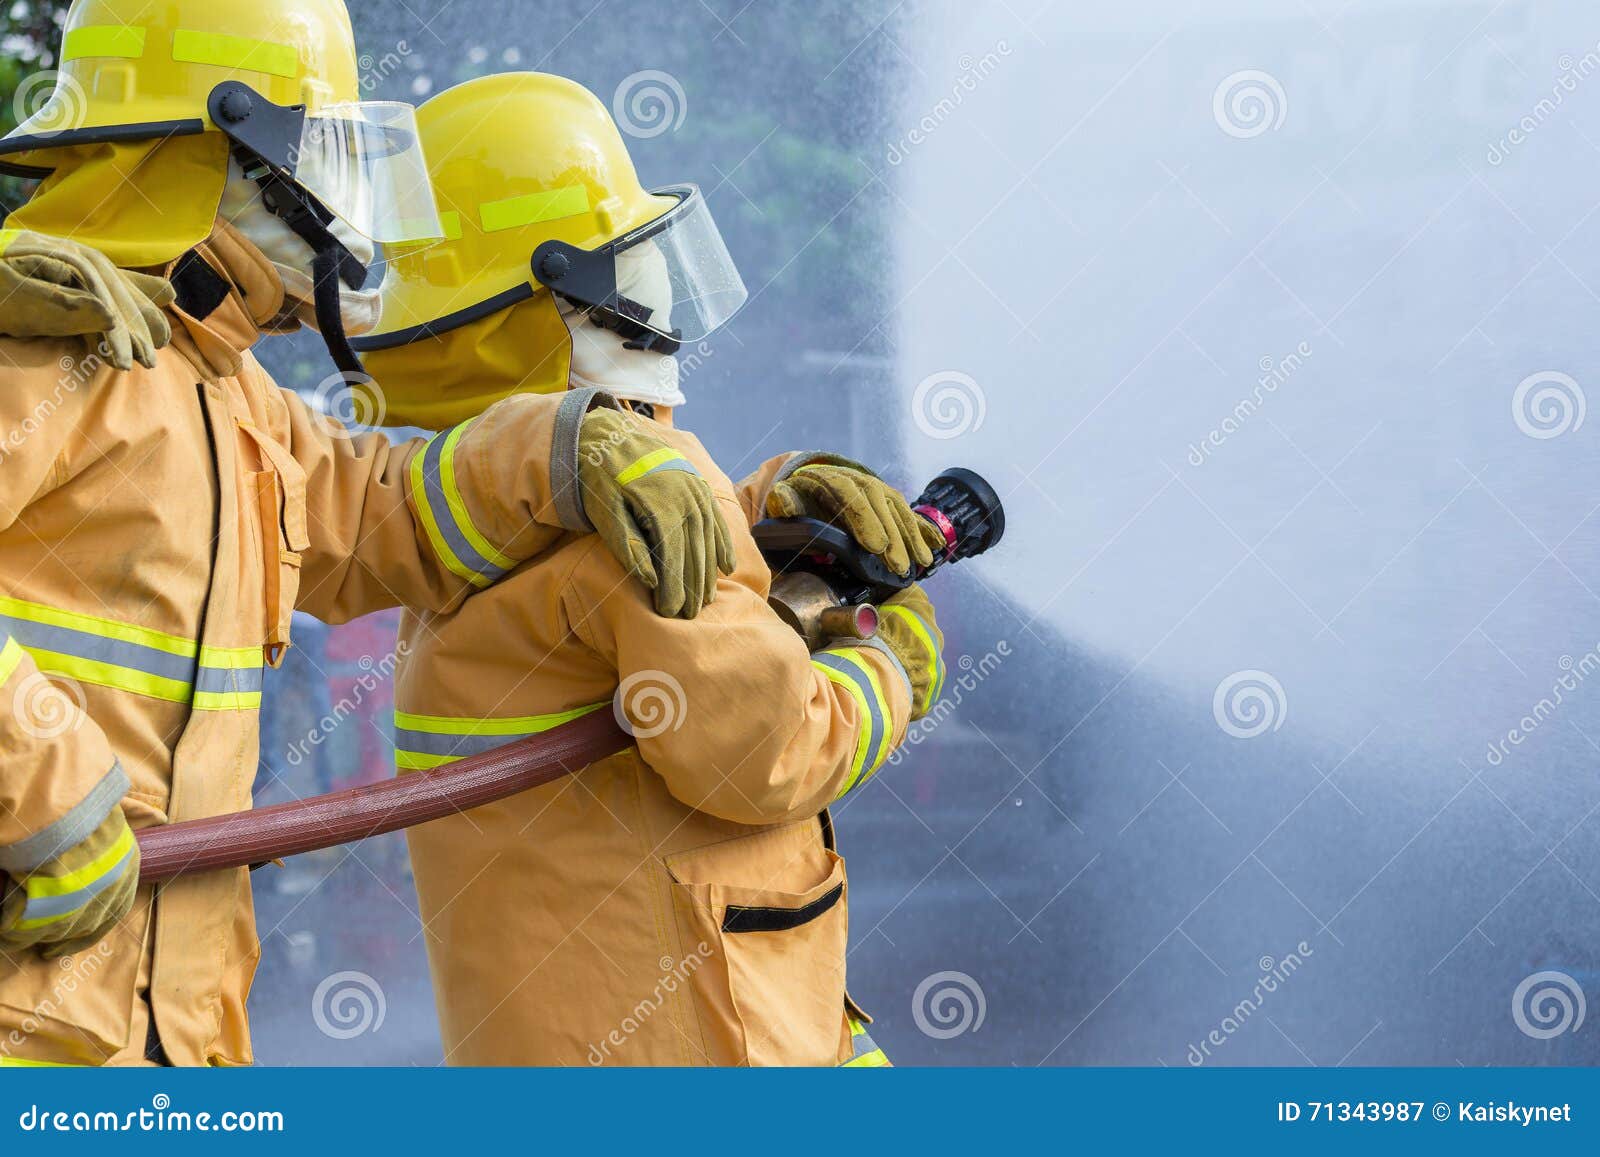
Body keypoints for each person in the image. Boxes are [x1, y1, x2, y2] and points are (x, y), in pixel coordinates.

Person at [0, 1, 731, 1067]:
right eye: (322, 155)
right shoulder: (46, 348)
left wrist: (565, 450)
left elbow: (380, 509)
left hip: (155, 1029)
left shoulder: (222, 390)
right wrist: (47, 799)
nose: (347, 207)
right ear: (221, 151)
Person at [351, 71, 949, 1066]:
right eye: (635, 255)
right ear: (568, 298)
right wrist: (893, 662)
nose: (661, 285)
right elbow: (770, 749)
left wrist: (773, 497)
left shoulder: (489, 511)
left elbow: (624, 598)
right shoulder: (636, 514)